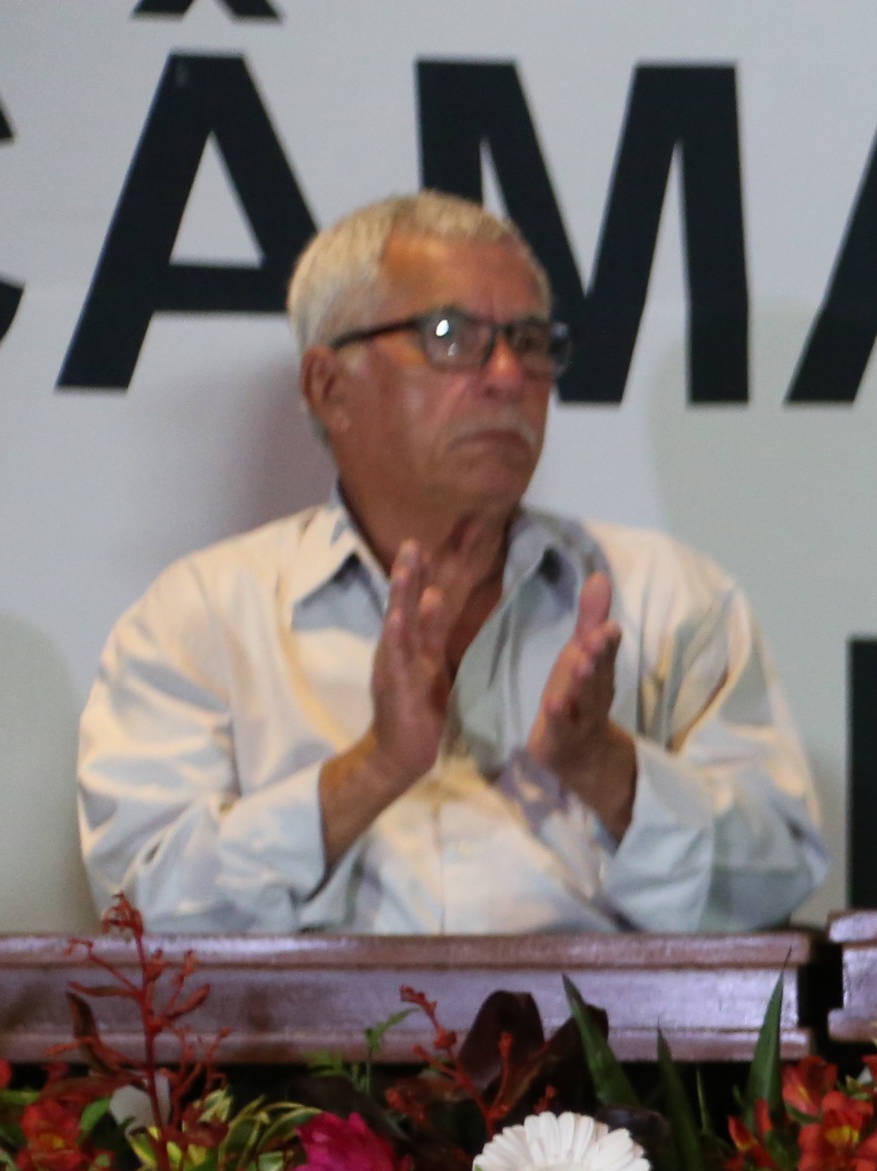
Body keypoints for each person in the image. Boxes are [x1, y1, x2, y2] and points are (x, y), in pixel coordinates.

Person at [77, 192, 823, 934]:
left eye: (530, 341)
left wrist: (607, 768)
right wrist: (369, 772)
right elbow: (143, 913)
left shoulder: (668, 599)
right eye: (449, 334)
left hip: (608, 1052)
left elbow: (776, 880)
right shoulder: (201, 617)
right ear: (328, 386)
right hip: (302, 1054)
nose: (507, 375)